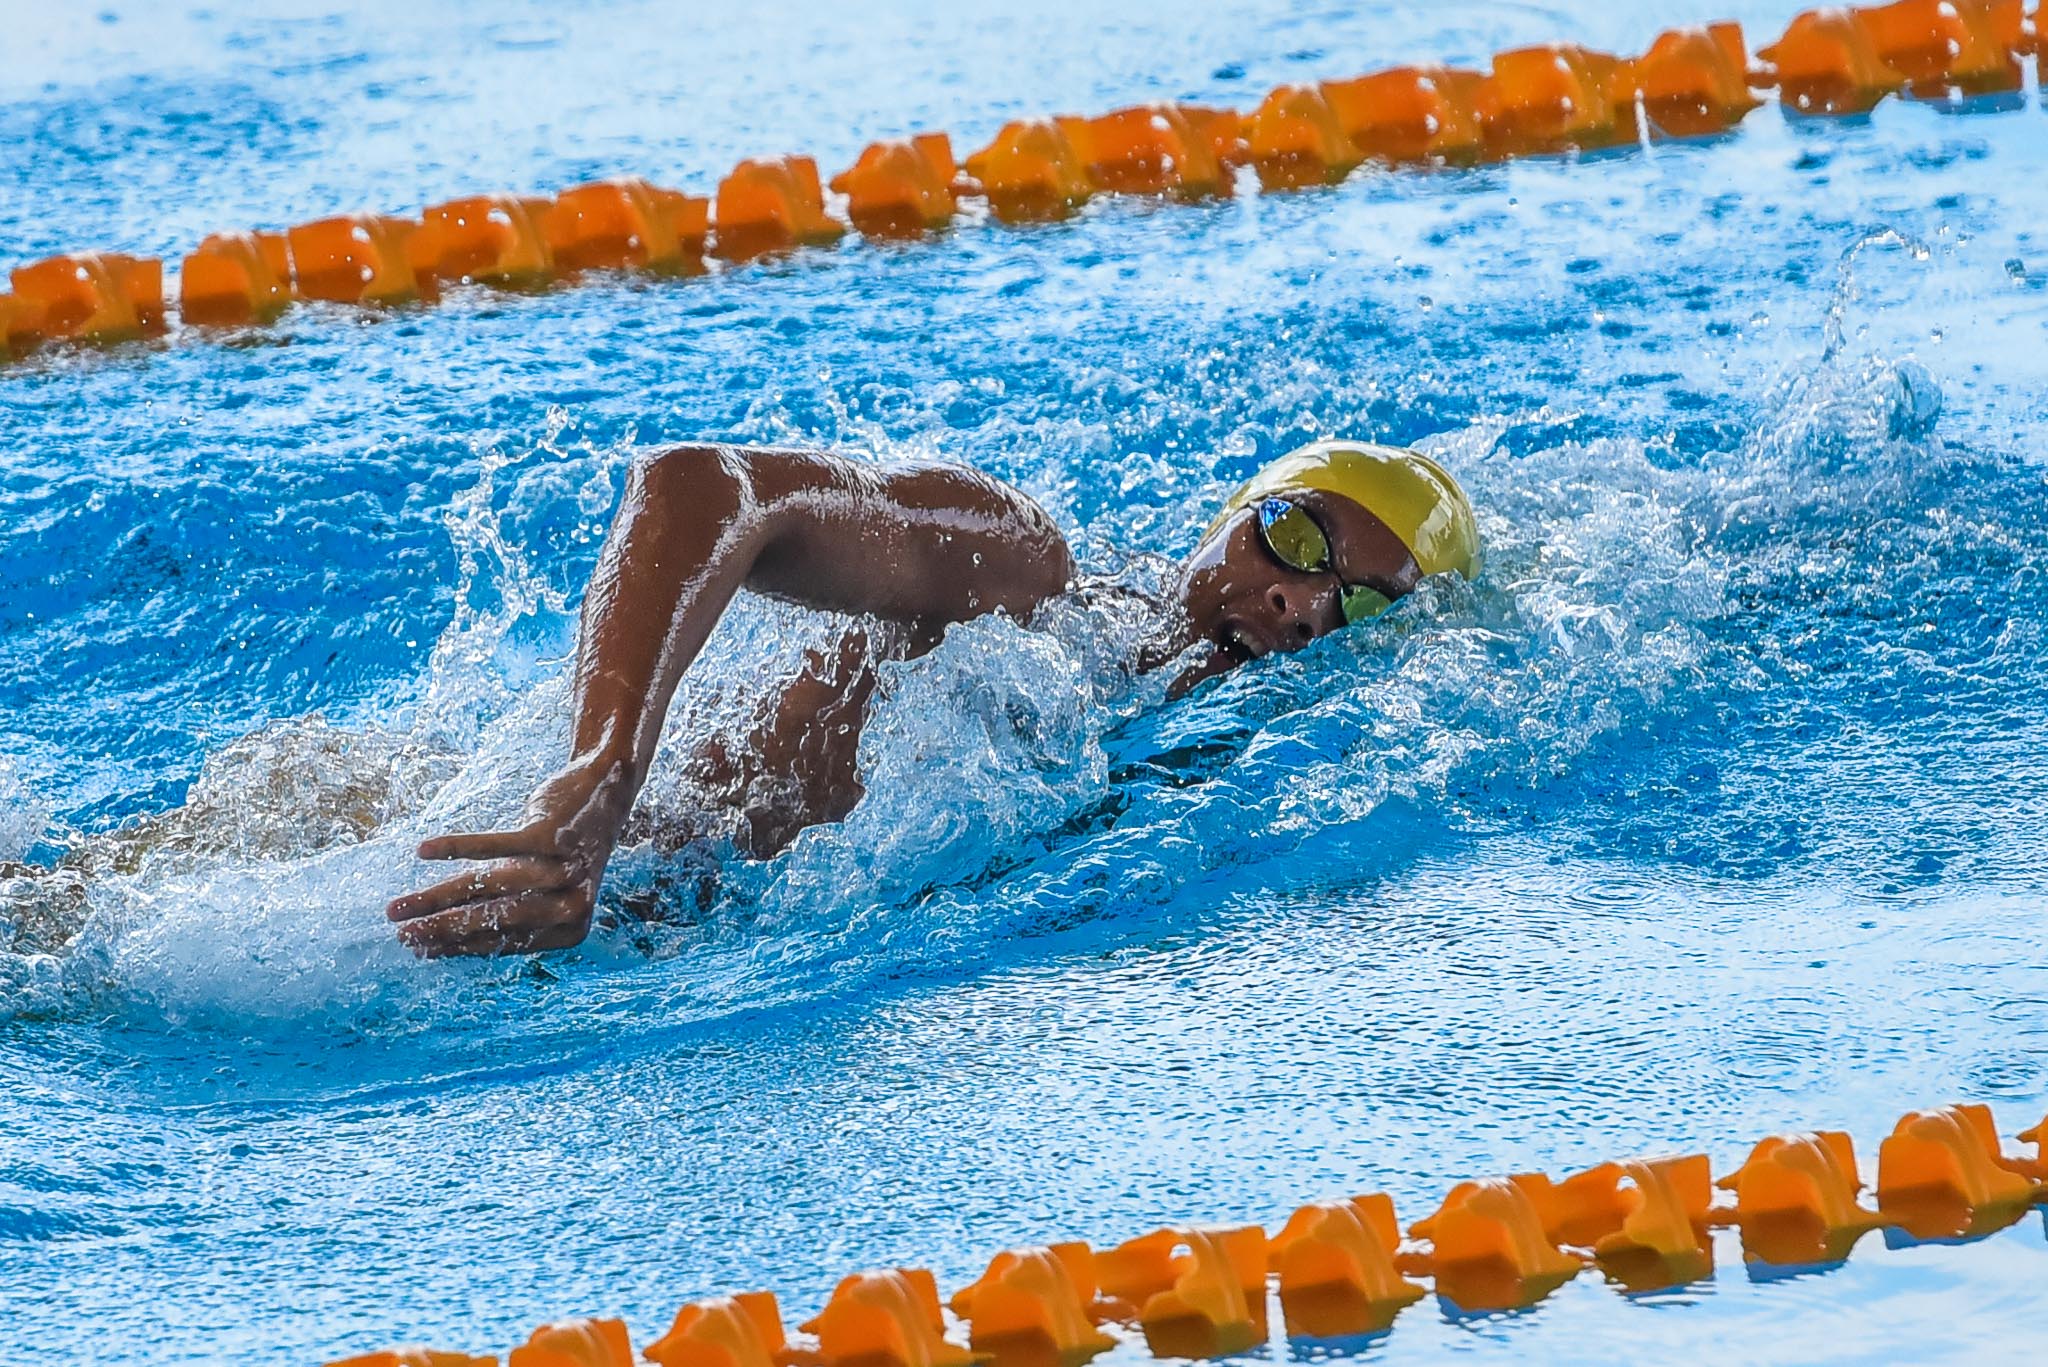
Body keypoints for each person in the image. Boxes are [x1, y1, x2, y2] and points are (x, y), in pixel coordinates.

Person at [386, 439, 1481, 957]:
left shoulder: (1187, 768)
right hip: (459, 846)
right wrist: (604, 767)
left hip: (599, 926)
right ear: (1229, 511)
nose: (1300, 604)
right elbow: (704, 485)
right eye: (1295, 536)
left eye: (1361, 608)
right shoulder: (1023, 580)